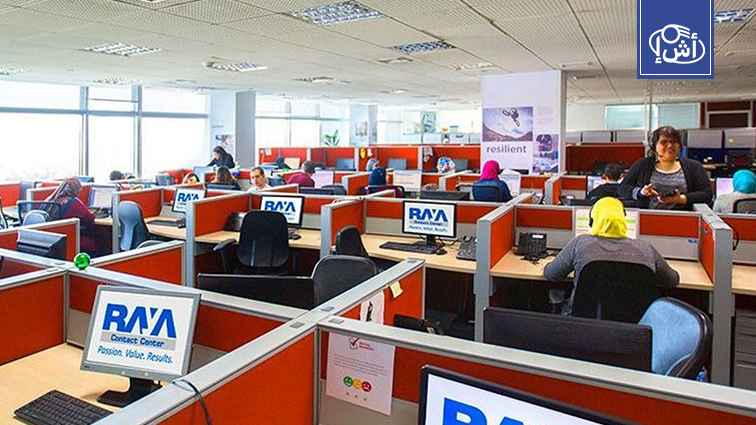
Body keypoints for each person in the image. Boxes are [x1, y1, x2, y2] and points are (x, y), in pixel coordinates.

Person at [543, 197, 679, 314]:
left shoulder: (580, 243)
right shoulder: (645, 248)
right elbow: (672, 281)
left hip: (586, 321)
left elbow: (552, 274)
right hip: (635, 325)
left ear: (592, 221)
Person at [618, 126, 711, 210]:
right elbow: (622, 188)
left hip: (684, 218)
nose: (670, 146)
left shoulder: (693, 167)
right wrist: (641, 192)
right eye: (664, 142)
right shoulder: (643, 165)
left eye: (673, 142)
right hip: (648, 218)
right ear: (654, 146)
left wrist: (681, 199)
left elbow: (706, 194)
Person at [44, 178, 99, 254]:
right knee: (94, 243)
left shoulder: (50, 199)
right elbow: (90, 218)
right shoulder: (72, 202)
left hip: (51, 238)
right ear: (75, 190)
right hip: (68, 239)